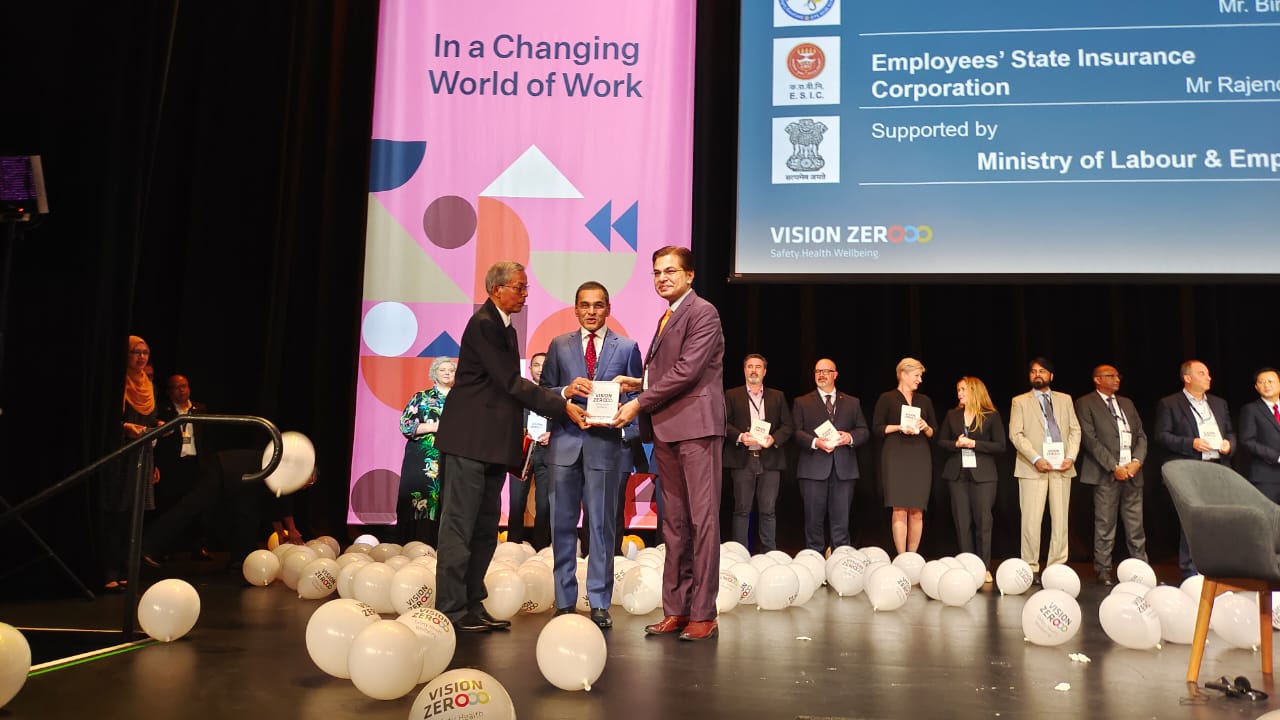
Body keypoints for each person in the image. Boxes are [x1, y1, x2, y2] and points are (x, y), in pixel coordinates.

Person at [433, 261, 588, 633]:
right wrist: (561, 404)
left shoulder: (504, 325)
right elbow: (509, 382)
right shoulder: (484, 324)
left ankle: (472, 602)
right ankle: (451, 609)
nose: (524, 293)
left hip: (490, 445)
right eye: (519, 287)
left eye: (525, 287)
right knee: (460, 527)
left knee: (486, 528)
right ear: (496, 289)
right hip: (469, 441)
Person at [612, 246, 725, 641]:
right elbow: (668, 372)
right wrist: (637, 384)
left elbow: (688, 370)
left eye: (671, 271)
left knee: (702, 521)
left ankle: (703, 613)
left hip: (696, 428)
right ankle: (676, 609)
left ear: (690, 275)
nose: (662, 278)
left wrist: (638, 402)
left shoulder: (703, 312)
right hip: (666, 429)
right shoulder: (668, 316)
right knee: (673, 523)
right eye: (657, 272)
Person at [540, 281, 643, 629]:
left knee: (601, 527)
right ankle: (564, 601)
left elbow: (638, 396)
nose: (591, 311)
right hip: (565, 446)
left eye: (598, 305)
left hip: (605, 447)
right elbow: (544, 391)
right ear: (575, 309)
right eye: (585, 305)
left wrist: (625, 419)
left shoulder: (627, 347)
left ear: (608, 308)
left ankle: (599, 601)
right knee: (562, 526)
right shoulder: (559, 345)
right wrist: (566, 393)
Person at [1155, 359, 1235, 578]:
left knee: (1219, 519)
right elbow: (1162, 435)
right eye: (1202, 373)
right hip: (1189, 469)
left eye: (1208, 373)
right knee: (1192, 520)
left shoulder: (1219, 403)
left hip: (1218, 467)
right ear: (1187, 378)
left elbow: (1230, 432)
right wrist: (1190, 443)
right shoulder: (1170, 403)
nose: (1208, 377)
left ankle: (1217, 567)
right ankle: (1190, 570)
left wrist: (1229, 444)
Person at [1075, 365, 1148, 586]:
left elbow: (1141, 436)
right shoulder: (1085, 403)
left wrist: (1137, 461)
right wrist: (1113, 466)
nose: (1117, 379)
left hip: (1132, 472)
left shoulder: (1127, 403)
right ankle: (1103, 570)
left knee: (1136, 527)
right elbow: (1090, 440)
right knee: (1105, 524)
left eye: (1118, 376)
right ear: (1097, 379)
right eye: (1111, 376)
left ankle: (1141, 569)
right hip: (1106, 474)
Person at [1009, 357, 1081, 578]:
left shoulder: (1065, 399)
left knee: (1060, 520)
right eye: (1033, 371)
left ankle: (1056, 567)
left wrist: (1071, 456)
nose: (1037, 374)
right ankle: (1030, 567)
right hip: (1033, 468)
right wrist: (1036, 458)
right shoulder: (1020, 401)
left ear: (1051, 375)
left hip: (1062, 466)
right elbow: (1016, 434)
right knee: (1031, 520)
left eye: (1042, 371)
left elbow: (1075, 430)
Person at [103, 336, 164, 591]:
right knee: (116, 513)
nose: (141, 357)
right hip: (121, 457)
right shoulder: (119, 384)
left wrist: (160, 427)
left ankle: (128, 571)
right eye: (135, 352)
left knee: (134, 517)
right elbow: (106, 422)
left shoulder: (149, 386)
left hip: (143, 455)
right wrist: (125, 427)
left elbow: (151, 420)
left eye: (145, 352)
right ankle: (109, 572)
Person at [791, 358, 870, 554]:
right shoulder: (802, 402)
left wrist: (849, 437)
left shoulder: (852, 402)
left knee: (841, 523)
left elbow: (863, 430)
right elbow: (796, 433)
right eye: (818, 371)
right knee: (813, 523)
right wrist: (815, 442)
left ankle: (841, 561)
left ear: (835, 375)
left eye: (826, 371)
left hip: (844, 470)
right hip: (812, 470)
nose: (821, 375)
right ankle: (815, 562)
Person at [936, 376, 1006, 578]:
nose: (959, 393)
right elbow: (941, 441)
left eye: (963, 389)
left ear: (975, 391)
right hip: (957, 474)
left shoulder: (991, 415)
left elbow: (1000, 446)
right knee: (962, 521)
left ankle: (983, 568)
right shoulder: (952, 415)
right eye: (958, 390)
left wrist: (975, 444)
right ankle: (967, 567)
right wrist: (956, 444)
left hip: (983, 476)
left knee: (983, 521)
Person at [723, 354, 793, 553]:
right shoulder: (732, 394)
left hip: (769, 460)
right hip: (743, 460)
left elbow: (788, 425)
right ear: (744, 370)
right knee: (741, 511)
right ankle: (739, 554)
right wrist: (740, 436)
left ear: (765, 371)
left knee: (768, 511)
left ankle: (768, 554)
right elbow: (723, 423)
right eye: (750, 367)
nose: (753, 370)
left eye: (758, 367)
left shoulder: (777, 396)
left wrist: (774, 439)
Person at [872, 358, 937, 555]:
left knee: (917, 510)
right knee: (899, 508)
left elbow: (933, 432)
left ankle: (912, 557)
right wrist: (899, 427)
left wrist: (925, 426)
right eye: (917, 375)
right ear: (903, 374)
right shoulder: (887, 398)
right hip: (895, 455)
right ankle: (901, 557)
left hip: (919, 456)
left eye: (920, 376)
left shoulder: (924, 400)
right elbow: (877, 428)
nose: (919, 380)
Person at [148, 374, 210, 561]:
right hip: (172, 466)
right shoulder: (163, 410)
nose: (182, 390)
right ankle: (164, 549)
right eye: (177, 387)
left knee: (197, 506)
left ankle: (198, 547)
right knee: (169, 506)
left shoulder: (199, 409)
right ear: (169, 391)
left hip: (195, 464)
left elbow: (207, 439)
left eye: (185, 386)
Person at [396, 356, 455, 547]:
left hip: (453, 457)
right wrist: (434, 427)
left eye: (451, 370)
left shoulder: (462, 398)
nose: (447, 373)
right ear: (434, 373)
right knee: (421, 499)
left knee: (450, 502)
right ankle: (416, 546)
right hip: (423, 459)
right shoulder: (421, 397)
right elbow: (406, 425)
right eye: (442, 369)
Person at [508, 352, 550, 548]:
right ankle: (513, 545)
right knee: (516, 501)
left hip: (547, 451)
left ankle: (542, 547)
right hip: (522, 450)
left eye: (544, 365)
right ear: (530, 368)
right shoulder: (519, 392)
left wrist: (553, 434)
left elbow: (565, 419)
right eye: (536, 365)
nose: (540, 369)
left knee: (545, 503)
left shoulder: (557, 393)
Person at [1239, 367, 1280, 504]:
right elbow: (1247, 441)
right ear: (1256, 387)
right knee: (1269, 515)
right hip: (1266, 477)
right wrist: (1276, 457)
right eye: (1261, 382)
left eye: (1270, 381)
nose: (1266, 385)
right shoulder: (1250, 409)